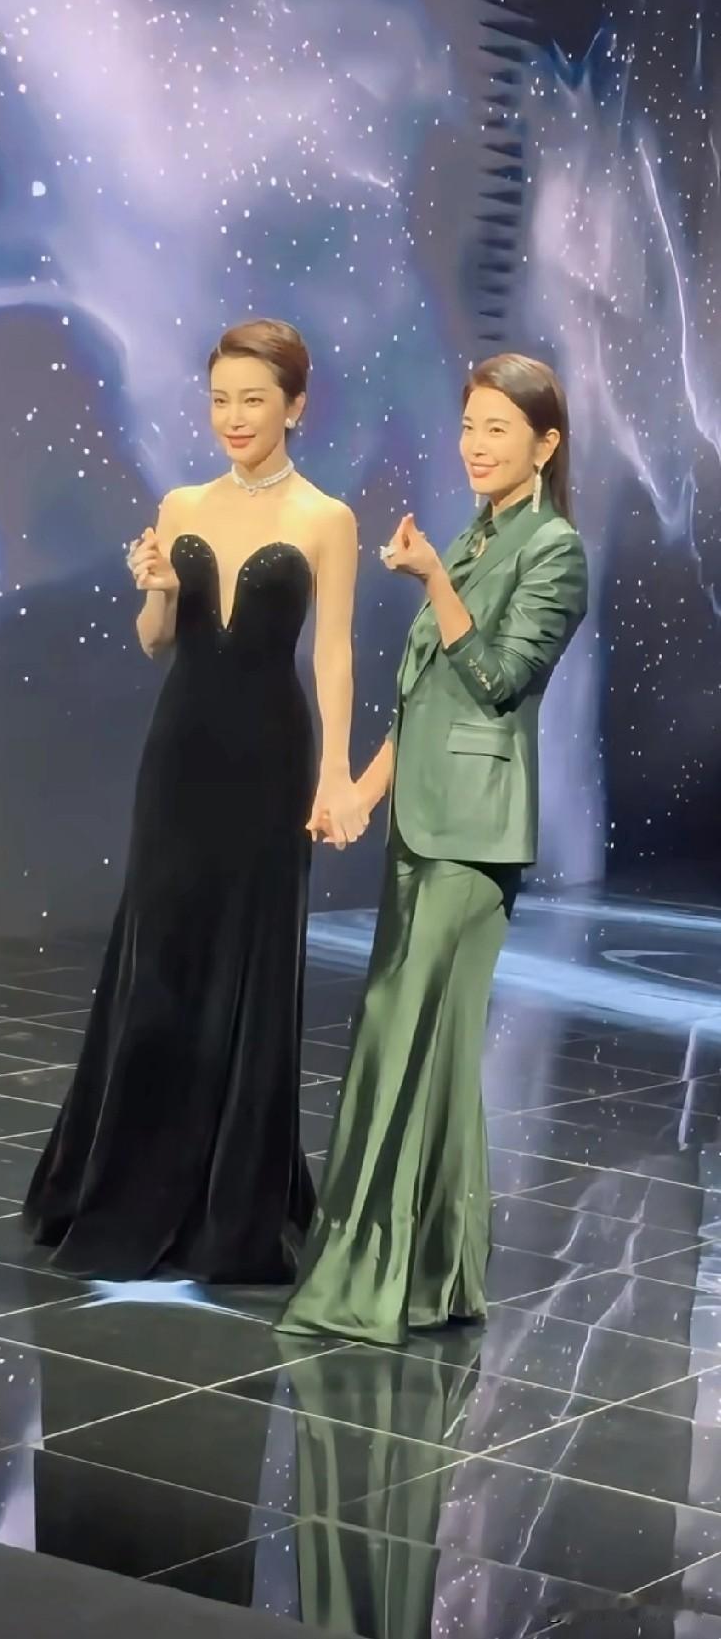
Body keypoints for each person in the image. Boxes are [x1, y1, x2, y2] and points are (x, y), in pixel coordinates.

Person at [23, 318, 366, 1282]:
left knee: (251, 958)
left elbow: (333, 654)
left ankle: (231, 1200)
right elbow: (153, 641)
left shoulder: (326, 517)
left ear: (295, 406)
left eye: (254, 399)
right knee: (162, 957)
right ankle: (130, 1182)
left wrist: (337, 772)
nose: (234, 417)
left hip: (271, 761)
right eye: (220, 400)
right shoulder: (180, 502)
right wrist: (159, 591)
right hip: (179, 758)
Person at [278, 352, 588, 1345]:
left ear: (544, 443)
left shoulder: (554, 551)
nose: (475, 446)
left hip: (474, 840)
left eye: (497, 429)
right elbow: (421, 701)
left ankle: (368, 1279)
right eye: (468, 426)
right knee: (431, 1053)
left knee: (398, 1034)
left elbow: (497, 680)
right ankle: (434, 1273)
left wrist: (435, 586)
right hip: (421, 822)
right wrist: (358, 794)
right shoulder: (470, 537)